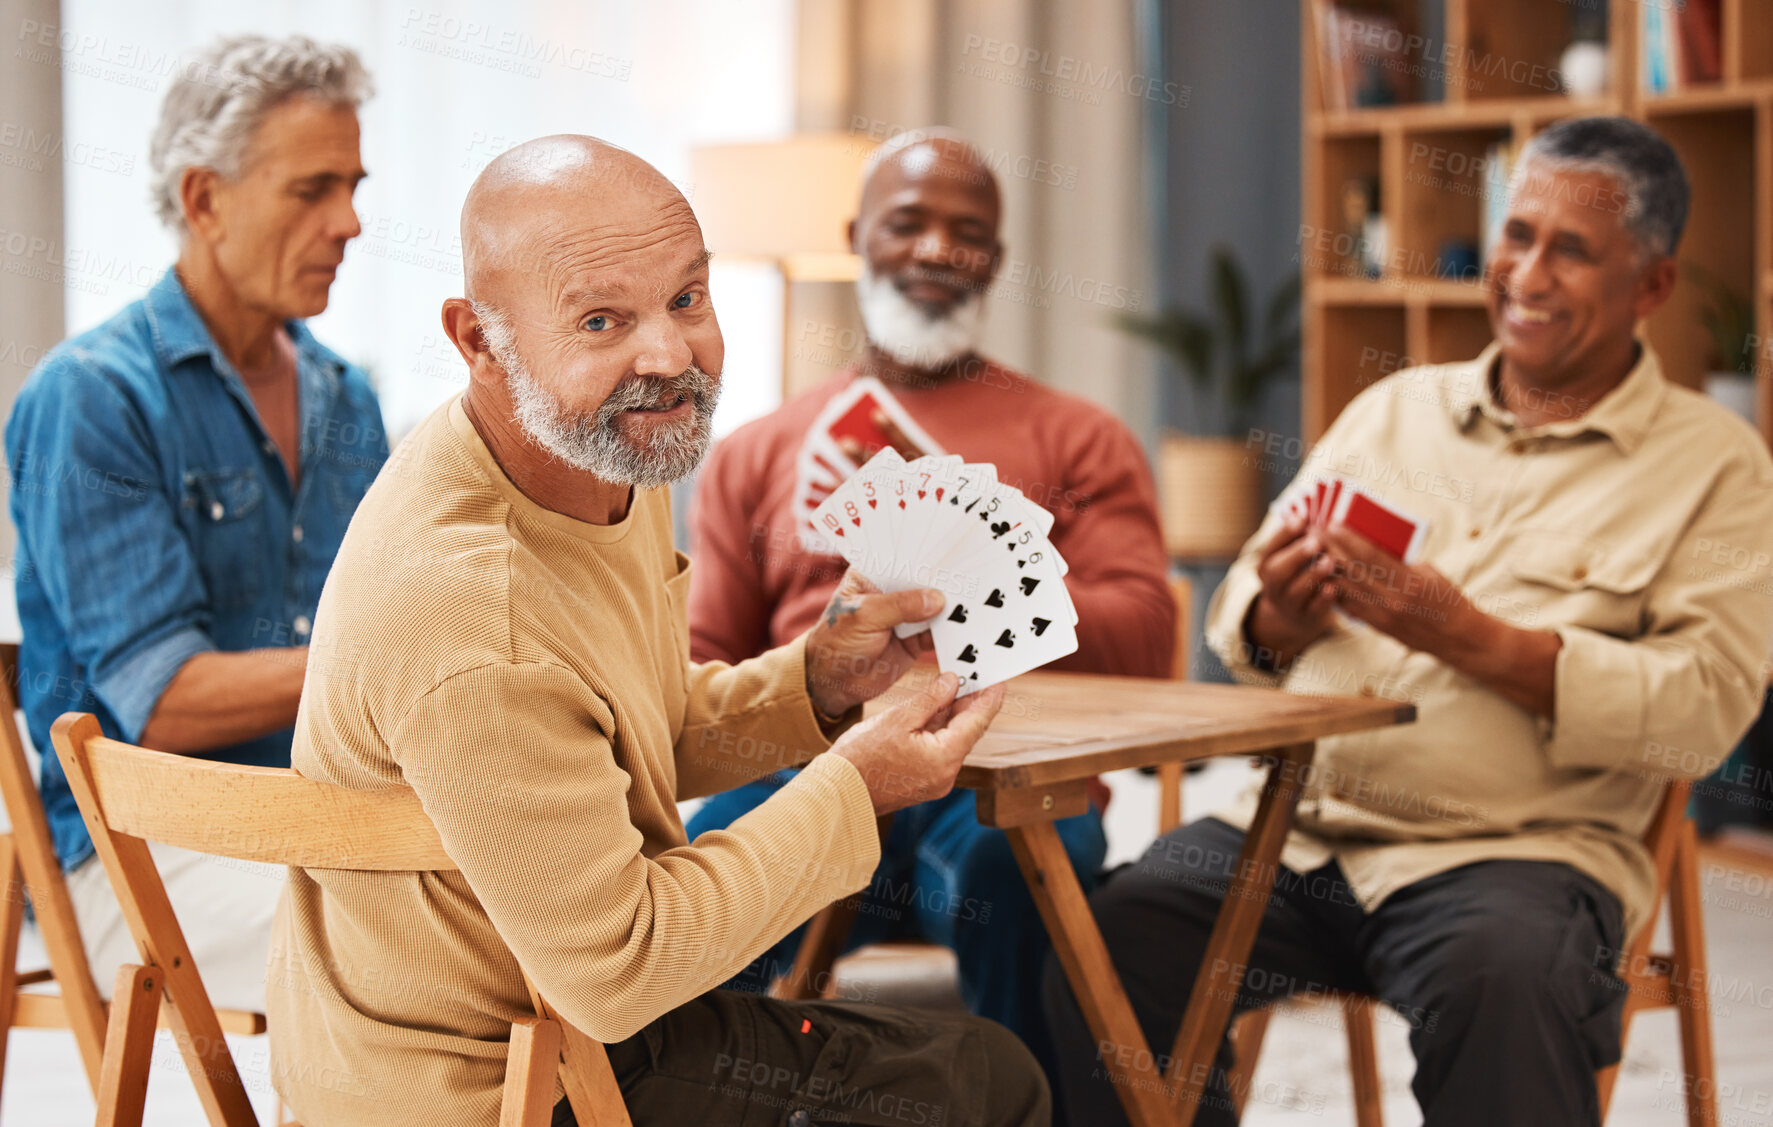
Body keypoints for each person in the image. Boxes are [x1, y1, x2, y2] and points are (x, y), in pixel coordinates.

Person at [268, 134, 1049, 1127]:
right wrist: (856, 787)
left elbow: (628, 731)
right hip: (501, 1083)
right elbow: (621, 966)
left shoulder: (601, 455)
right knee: (991, 1081)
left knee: (958, 1056)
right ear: (478, 341)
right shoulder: (475, 612)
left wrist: (816, 680)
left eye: (687, 298)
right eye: (602, 319)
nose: (672, 358)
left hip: (551, 1018)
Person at [1043, 116, 1773, 1127]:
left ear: (1652, 286)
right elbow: (1240, 618)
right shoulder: (1396, 410)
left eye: (1572, 249)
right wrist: (1281, 615)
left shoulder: (1717, 465)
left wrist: (1471, 637)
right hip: (1293, 833)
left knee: (1508, 985)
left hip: (1515, 856)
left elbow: (1703, 711)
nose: (1525, 271)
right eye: (1517, 234)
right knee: (1112, 939)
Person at [683, 129, 1173, 1062]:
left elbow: (1147, 639)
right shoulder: (754, 450)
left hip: (1003, 776)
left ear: (994, 259)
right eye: (908, 223)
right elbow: (708, 665)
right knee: (683, 892)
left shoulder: (1079, 437)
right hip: (807, 769)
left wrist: (980, 584)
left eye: (968, 232)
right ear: (856, 234)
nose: (938, 250)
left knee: (1024, 878)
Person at [5, 34, 385, 1014]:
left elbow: (399, 607)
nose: (350, 221)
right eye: (313, 189)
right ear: (203, 198)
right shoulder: (89, 399)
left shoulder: (347, 397)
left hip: (318, 818)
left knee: (549, 897)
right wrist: (393, 658)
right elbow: (162, 698)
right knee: (416, 953)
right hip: (137, 848)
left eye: (354, 184)